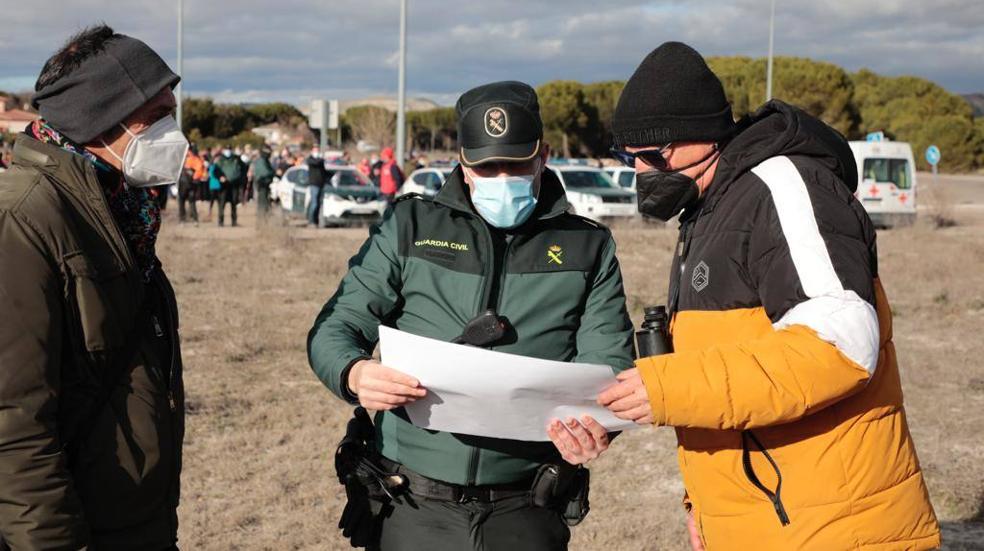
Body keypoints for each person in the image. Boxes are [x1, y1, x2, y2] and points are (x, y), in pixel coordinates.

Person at [599, 41, 940, 550]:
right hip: (763, 524)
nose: (641, 170)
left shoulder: (783, 186)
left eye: (653, 153)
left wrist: (668, 388)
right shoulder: (708, 210)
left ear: (707, 135)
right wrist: (706, 510)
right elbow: (733, 373)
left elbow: (842, 344)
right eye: (627, 156)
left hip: (833, 531)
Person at [308, 81, 634, 551]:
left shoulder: (589, 246)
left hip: (527, 505)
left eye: (516, 164)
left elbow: (609, 362)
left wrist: (597, 427)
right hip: (412, 504)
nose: (502, 177)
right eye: (486, 166)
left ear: (543, 155)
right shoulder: (410, 226)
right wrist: (354, 372)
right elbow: (336, 327)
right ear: (462, 161)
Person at [0, 24, 186, 550]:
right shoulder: (24, 218)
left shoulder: (121, 209)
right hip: (74, 527)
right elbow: (14, 415)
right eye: (153, 118)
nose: (170, 133)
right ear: (97, 121)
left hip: (132, 518)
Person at [213, 145, 246, 226]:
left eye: (229, 149)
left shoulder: (236, 159)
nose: (228, 151)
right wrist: (220, 177)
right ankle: (221, 221)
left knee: (234, 203)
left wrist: (240, 179)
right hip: (224, 186)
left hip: (234, 185)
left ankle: (234, 221)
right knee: (222, 204)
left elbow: (244, 169)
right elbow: (215, 171)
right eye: (226, 149)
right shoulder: (220, 160)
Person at [179, 145, 205, 224]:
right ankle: (194, 219)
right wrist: (194, 178)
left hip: (184, 183)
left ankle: (183, 219)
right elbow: (200, 171)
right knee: (192, 202)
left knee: (182, 202)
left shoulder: (182, 158)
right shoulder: (196, 159)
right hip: (191, 184)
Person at [251, 147, 276, 223]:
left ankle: (264, 220)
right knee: (262, 203)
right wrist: (273, 172)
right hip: (262, 185)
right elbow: (265, 172)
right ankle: (261, 221)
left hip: (265, 185)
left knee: (265, 203)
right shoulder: (261, 161)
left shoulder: (265, 161)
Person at [305, 146, 328, 226]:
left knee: (318, 204)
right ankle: (311, 221)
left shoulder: (321, 161)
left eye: (318, 151)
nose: (317, 152)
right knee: (314, 203)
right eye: (315, 151)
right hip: (314, 184)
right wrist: (321, 159)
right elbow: (315, 163)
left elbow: (324, 172)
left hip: (321, 184)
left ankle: (316, 221)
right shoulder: (310, 160)